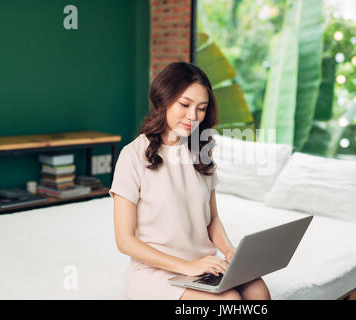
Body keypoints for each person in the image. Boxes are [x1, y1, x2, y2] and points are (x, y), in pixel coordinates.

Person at [109, 61, 271, 300]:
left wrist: (228, 251)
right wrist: (186, 267)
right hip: (158, 271)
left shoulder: (200, 153)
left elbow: (212, 219)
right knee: (230, 301)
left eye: (201, 108)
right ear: (163, 100)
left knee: (258, 291)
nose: (192, 116)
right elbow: (125, 241)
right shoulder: (133, 155)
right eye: (184, 104)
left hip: (203, 265)